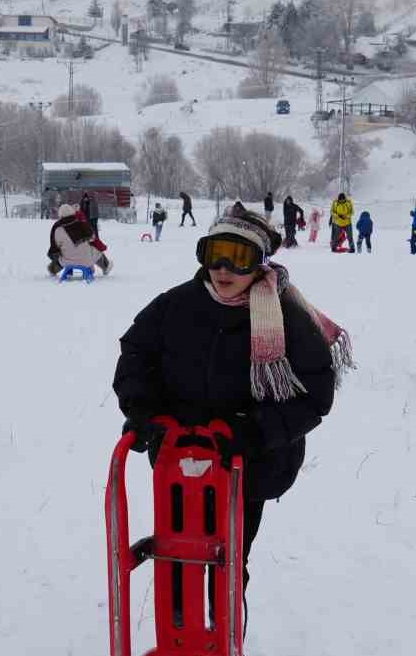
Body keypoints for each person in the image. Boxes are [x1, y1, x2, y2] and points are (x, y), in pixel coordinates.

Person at [113, 206, 350, 598]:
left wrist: (256, 432)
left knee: (229, 558)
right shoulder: (174, 306)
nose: (224, 268)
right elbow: (136, 355)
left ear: (260, 263)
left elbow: (315, 393)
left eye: (239, 258)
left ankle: (226, 648)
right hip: (180, 457)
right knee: (176, 554)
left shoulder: (285, 315)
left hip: (249, 463)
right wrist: (142, 412)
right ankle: (180, 647)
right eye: (214, 253)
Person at [48, 203, 112, 276]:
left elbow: (55, 247)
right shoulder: (81, 224)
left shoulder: (57, 229)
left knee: (62, 255)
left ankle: (52, 269)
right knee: (96, 251)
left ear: (60, 215)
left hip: (66, 262)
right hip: (86, 261)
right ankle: (106, 266)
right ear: (72, 212)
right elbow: (93, 238)